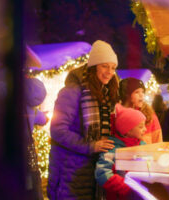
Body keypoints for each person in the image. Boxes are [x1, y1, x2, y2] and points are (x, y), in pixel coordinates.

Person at [48, 40, 119, 199]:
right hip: (69, 170)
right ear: (94, 66)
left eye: (113, 68)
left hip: (91, 168)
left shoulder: (104, 94)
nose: (109, 72)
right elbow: (58, 130)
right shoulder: (72, 91)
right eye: (104, 66)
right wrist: (90, 146)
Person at [95, 104, 146, 200]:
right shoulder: (112, 148)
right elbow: (102, 173)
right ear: (127, 131)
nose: (145, 129)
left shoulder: (143, 145)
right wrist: (127, 187)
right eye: (140, 127)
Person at [119, 78, 162, 144]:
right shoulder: (119, 115)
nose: (141, 95)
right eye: (137, 92)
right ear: (126, 95)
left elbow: (158, 139)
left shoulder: (149, 115)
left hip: (147, 152)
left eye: (142, 92)